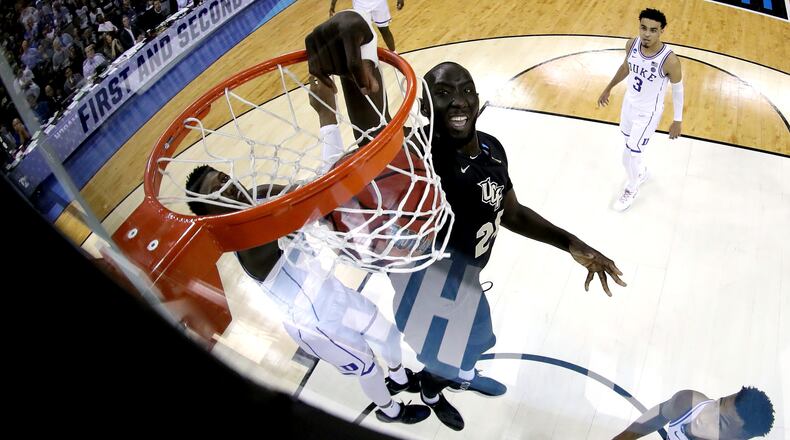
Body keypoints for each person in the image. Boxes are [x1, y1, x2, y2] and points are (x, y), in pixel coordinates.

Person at [305, 11, 627, 431]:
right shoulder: (418, 158)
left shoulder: (491, 148)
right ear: (423, 106)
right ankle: (432, 390)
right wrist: (357, 66)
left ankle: (462, 377)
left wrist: (572, 243)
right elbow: (374, 136)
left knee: (477, 344)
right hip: (426, 288)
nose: (458, 100)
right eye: (442, 92)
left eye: (465, 90)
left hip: (469, 279)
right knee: (443, 356)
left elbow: (511, 212)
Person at [183, 78, 429, 426]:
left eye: (222, 177)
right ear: (211, 212)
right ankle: (391, 411)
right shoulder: (246, 241)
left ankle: (401, 378)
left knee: (387, 334)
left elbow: (308, 191)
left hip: (332, 292)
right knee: (366, 365)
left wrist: (322, 186)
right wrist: (328, 126)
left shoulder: (259, 194)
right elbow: (302, 209)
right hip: (313, 322)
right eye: (216, 191)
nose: (228, 185)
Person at [597, 8, 684, 211]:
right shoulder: (632, 44)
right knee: (629, 144)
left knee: (628, 155)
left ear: (662, 30)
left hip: (648, 114)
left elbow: (679, 91)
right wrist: (608, 88)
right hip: (629, 105)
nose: (646, 33)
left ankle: (632, 187)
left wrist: (677, 120)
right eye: (643, 28)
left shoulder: (670, 60)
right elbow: (625, 68)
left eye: (653, 30)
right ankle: (641, 172)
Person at [612, 386, 774, 439]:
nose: (704, 418)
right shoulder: (687, 403)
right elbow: (661, 414)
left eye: (719, 423)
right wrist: (624, 437)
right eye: (717, 404)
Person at [329, 0, 404, 52]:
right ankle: (368, 60)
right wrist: (332, 5)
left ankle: (394, 54)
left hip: (379, 3)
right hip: (360, 4)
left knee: (384, 29)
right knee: (363, 33)